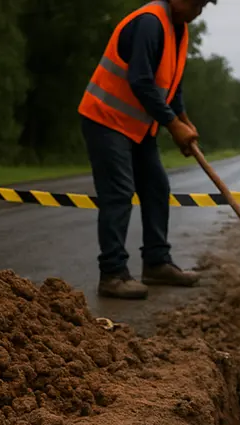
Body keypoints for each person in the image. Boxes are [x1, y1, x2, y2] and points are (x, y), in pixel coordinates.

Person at [78, 0, 216, 300]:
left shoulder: (178, 30)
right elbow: (140, 80)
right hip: (106, 118)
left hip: (136, 127)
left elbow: (171, 84)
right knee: (119, 192)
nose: (199, 11)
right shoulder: (150, 23)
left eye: (204, 6)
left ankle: (156, 263)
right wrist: (172, 125)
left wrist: (183, 119)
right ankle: (112, 274)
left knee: (156, 186)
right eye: (197, 3)